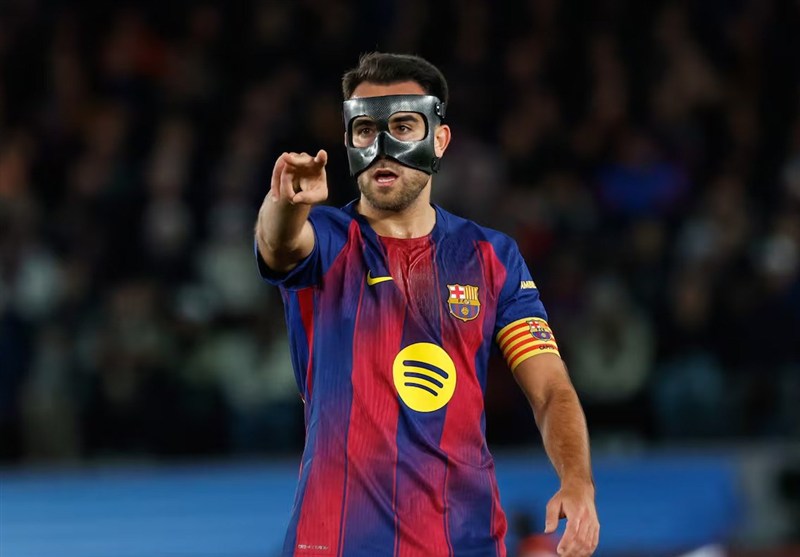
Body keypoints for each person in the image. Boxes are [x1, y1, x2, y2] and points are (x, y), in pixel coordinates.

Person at [254, 52, 599, 557]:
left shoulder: (491, 257)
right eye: (365, 130)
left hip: (465, 541)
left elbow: (549, 388)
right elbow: (279, 243)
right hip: (338, 541)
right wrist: (285, 203)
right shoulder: (327, 240)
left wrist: (577, 479)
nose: (382, 147)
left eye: (402, 126)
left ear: (439, 139)